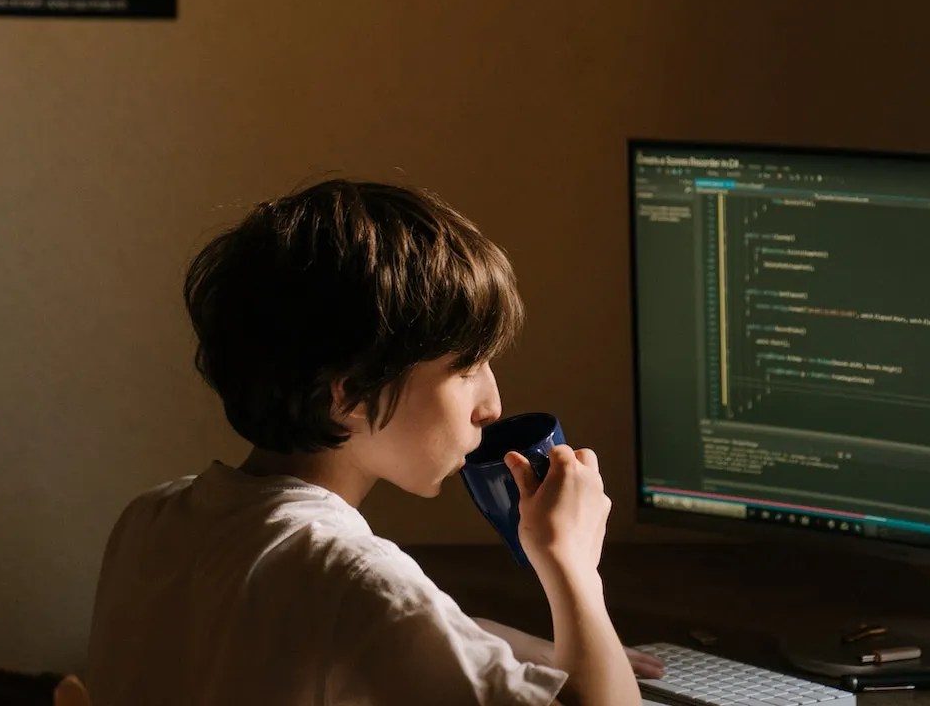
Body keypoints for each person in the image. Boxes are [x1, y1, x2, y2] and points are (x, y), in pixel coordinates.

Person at [86, 179, 661, 705]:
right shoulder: (356, 582)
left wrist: (507, 645)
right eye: (466, 368)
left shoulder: (152, 521)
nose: (492, 405)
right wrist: (574, 569)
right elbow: (363, 606)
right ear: (351, 395)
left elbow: (312, 624)